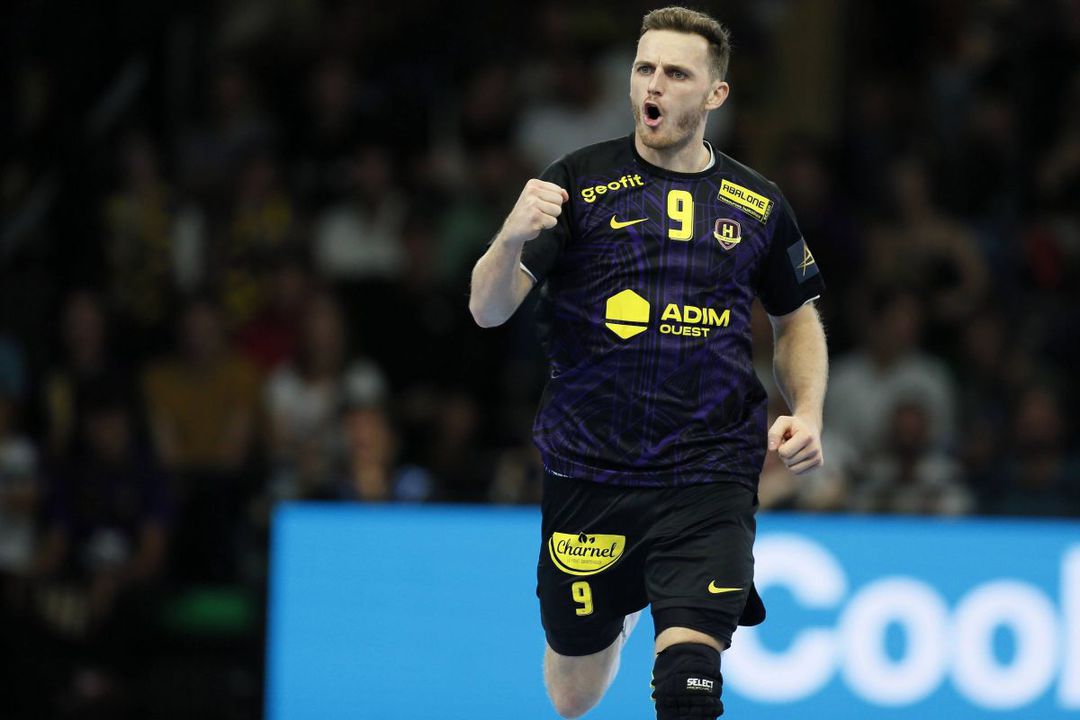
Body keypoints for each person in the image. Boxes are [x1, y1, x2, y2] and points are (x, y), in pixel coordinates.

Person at [468, 7, 828, 719]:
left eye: (676, 73)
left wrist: (809, 411)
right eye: (644, 69)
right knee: (572, 697)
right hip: (591, 469)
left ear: (715, 94)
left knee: (689, 683)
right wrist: (508, 237)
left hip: (710, 473)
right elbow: (487, 309)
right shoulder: (576, 182)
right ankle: (622, 608)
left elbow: (797, 318)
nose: (654, 85)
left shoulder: (758, 203)